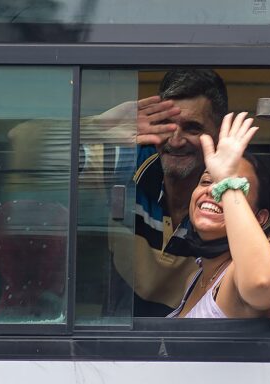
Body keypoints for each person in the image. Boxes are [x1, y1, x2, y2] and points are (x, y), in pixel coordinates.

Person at [106, 69, 230, 317]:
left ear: (220, 133)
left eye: (192, 128)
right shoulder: (126, 165)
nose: (175, 140)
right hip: (117, 344)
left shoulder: (235, 198)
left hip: (194, 347)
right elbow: (23, 142)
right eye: (166, 125)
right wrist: (97, 127)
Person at [167, 112, 270, 318]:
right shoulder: (194, 278)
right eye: (207, 181)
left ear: (259, 218)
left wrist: (228, 181)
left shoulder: (237, 275)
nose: (213, 190)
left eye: (233, 186)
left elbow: (261, 284)